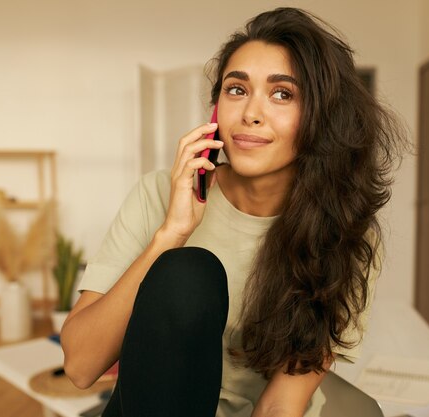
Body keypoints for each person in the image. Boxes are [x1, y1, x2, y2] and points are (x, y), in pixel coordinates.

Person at [61, 7, 406, 417]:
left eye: (283, 94)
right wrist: (170, 235)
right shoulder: (159, 194)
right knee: (188, 271)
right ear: (215, 112)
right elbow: (81, 367)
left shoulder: (345, 233)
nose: (250, 114)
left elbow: (281, 403)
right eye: (236, 90)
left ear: (321, 117)